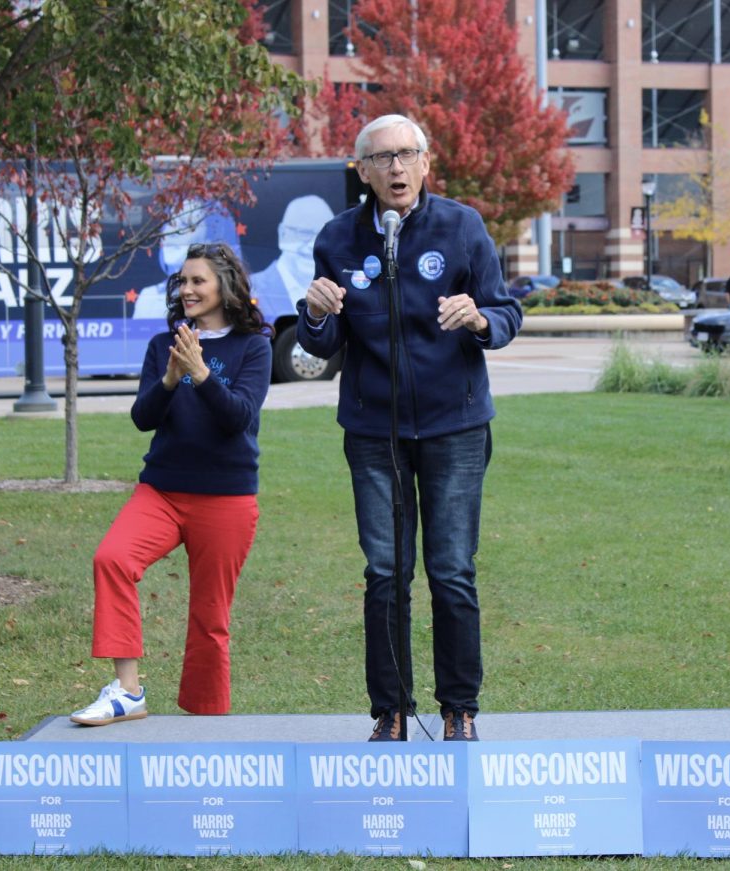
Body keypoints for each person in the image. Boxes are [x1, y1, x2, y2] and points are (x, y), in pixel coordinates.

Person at [296, 114, 522, 743]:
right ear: (362, 171)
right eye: (382, 158)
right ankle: (390, 712)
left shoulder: (462, 226)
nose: (395, 168)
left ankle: (459, 709)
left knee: (451, 569)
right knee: (385, 572)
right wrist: (315, 316)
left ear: (426, 162)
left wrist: (478, 319)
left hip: (455, 428)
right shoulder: (338, 239)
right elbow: (325, 341)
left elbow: (505, 311)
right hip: (375, 434)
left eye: (406, 154)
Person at [71, 242, 272, 726]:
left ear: (225, 287)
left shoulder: (254, 346)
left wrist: (201, 375)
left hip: (226, 497)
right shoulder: (164, 345)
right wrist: (168, 380)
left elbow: (238, 419)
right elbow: (143, 418)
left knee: (210, 618)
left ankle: (204, 727)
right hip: (162, 489)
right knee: (112, 558)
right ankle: (127, 691)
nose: (186, 290)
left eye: (197, 281)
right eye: (182, 281)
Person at [250, 194, 335, 317]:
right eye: (304, 233)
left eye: (323, 235)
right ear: (283, 234)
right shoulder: (252, 288)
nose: (313, 244)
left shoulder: (341, 286)